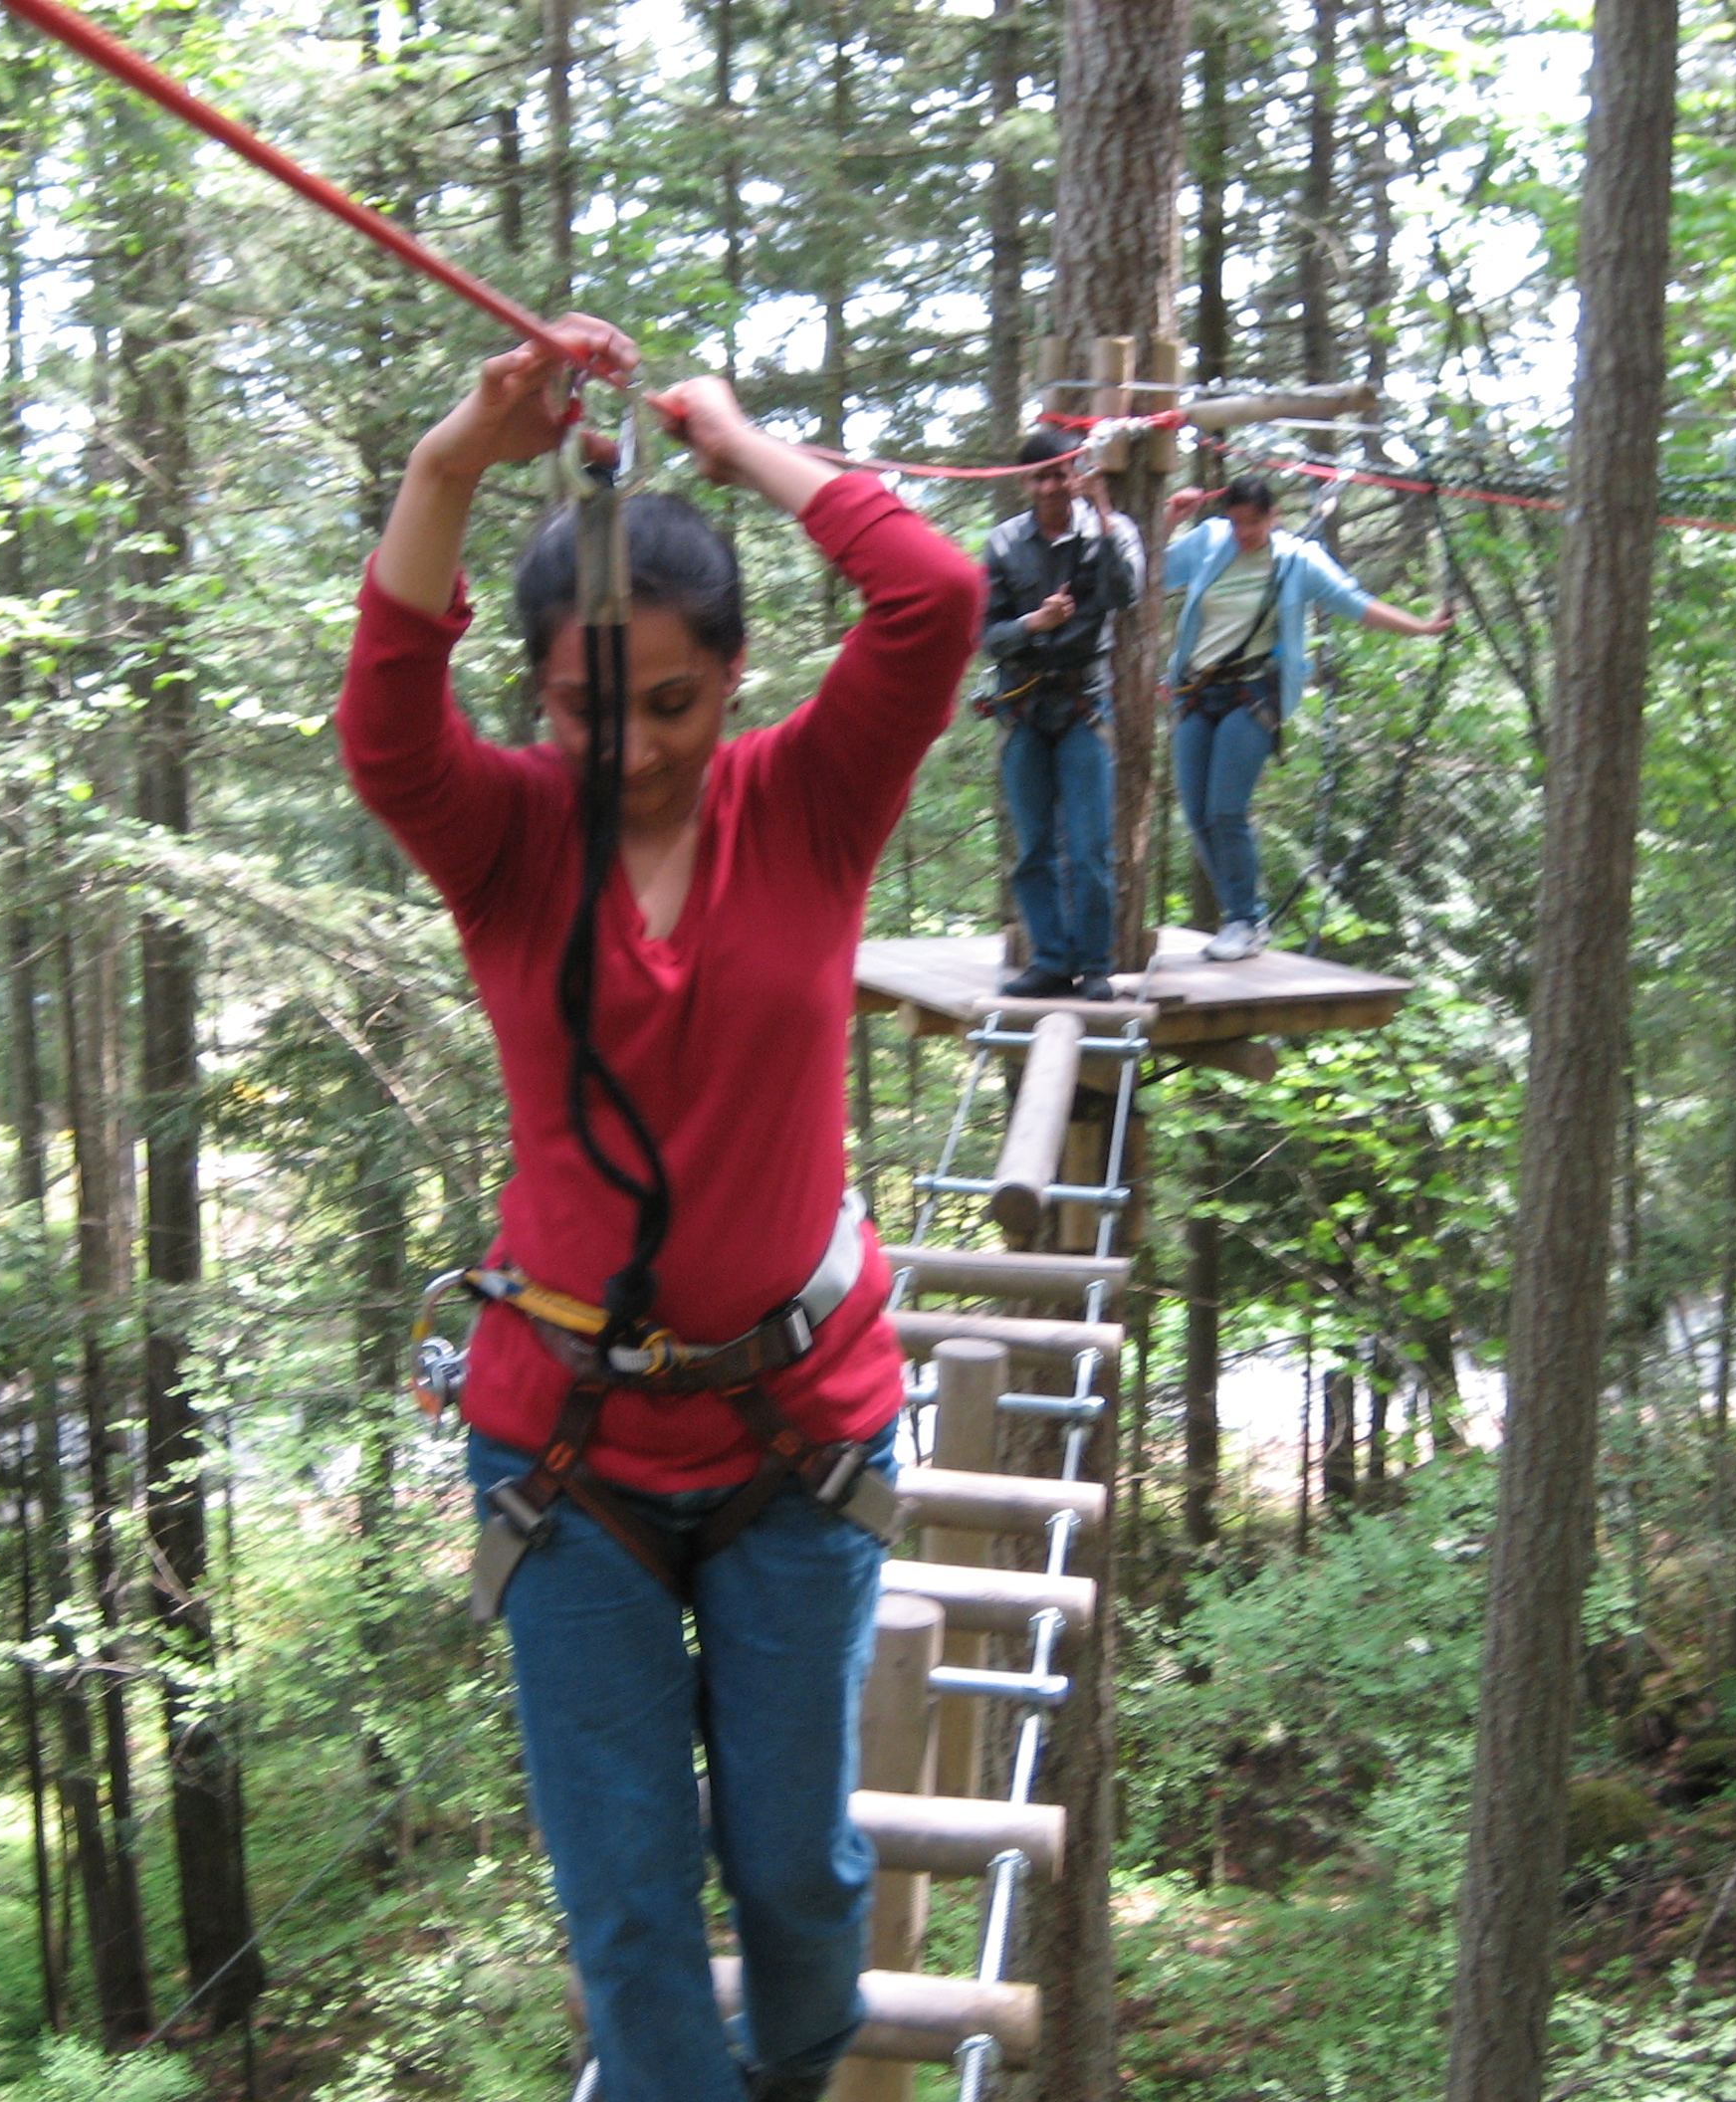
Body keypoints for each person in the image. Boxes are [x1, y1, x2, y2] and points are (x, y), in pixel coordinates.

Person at [339, 315, 984, 2102]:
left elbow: (934, 597)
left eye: (674, 704)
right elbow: (384, 725)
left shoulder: (813, 800)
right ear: (540, 696)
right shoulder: (503, 837)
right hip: (568, 1451)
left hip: (797, 1432)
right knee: (628, 1910)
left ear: (737, 678)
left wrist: (739, 441)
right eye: (584, 708)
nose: (628, 745)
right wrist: (455, 456)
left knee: (798, 1877)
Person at [1161, 474, 1452, 959]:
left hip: (1252, 693)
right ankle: (1238, 914)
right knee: (1196, 813)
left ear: (1274, 517)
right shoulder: (1210, 541)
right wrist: (1169, 520)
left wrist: (1420, 628)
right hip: (1195, 691)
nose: (1242, 533)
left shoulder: (1298, 561)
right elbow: (1150, 573)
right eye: (1235, 523)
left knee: (1225, 810)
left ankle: (1245, 920)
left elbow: (1355, 603)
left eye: (1253, 523)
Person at [977, 429, 1145, 1002]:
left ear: (1076, 476)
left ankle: (1095, 965)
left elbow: (1127, 594)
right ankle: (1050, 961)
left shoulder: (1112, 532)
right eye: (1041, 477)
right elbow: (986, 633)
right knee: (1034, 849)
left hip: (1083, 707)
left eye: (1060, 474)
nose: (1052, 486)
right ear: (1027, 483)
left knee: (1091, 849)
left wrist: (1104, 513)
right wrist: (1034, 624)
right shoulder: (1004, 543)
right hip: (1022, 708)